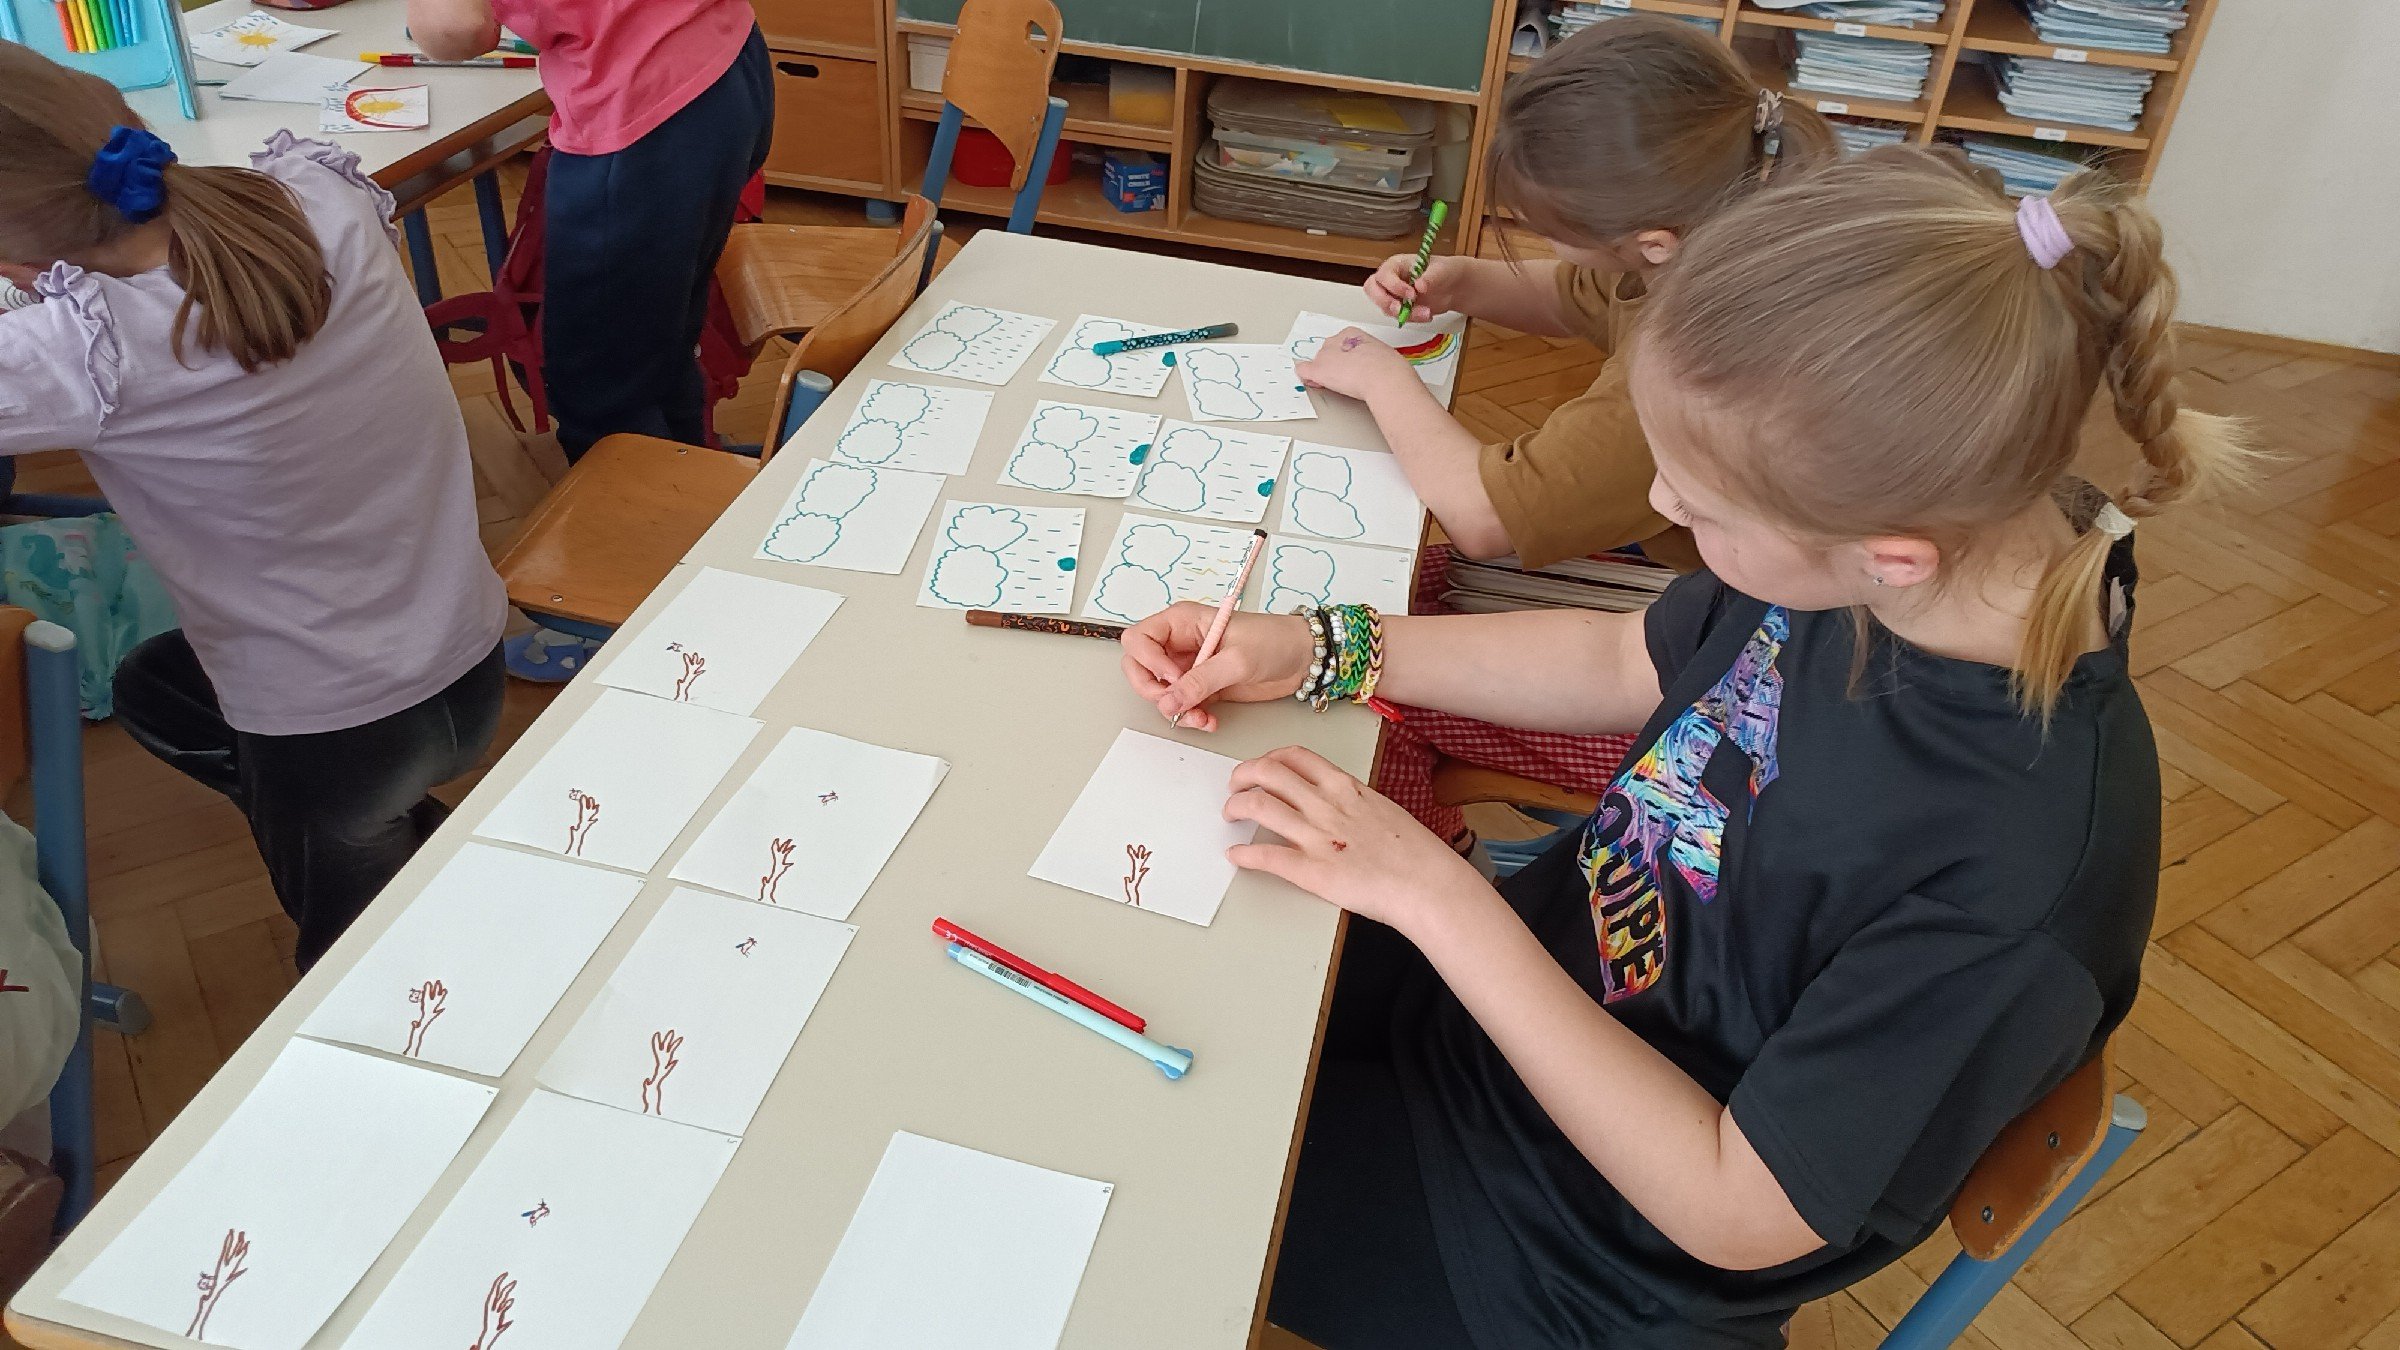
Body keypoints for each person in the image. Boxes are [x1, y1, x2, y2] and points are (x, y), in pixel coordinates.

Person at [1121, 147, 2251, 1347]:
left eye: (1699, 507)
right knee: (1151, 981)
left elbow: (1733, 1206)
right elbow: (1628, 661)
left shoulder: (2017, 883)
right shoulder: (1883, 561)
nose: (1661, 505)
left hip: (1560, 1254)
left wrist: (1441, 901)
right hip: (1492, 1018)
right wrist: (1324, 647)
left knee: (1127, 1175)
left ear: (1891, 555)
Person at [0, 44, 507, 971]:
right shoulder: (321, 195)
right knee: (156, 687)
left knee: (356, 973)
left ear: (23, 257)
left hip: (328, 725)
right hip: (465, 651)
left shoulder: (73, 353)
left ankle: (414, 905)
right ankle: (392, 839)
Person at [1296, 16, 1840, 858]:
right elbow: (1577, 291)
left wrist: (1381, 376)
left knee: (1373, 698)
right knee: (1406, 591)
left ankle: (1454, 868)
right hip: (1713, 598)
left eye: (1543, 222)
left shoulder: (1700, 359)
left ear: (1652, 242)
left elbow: (1485, 516)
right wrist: (1464, 283)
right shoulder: (1711, 244)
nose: (1535, 236)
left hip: (1727, 703)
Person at [408, 0, 774, 680]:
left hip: (641, 115)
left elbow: (455, 31)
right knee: (663, 328)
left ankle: (628, 610)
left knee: (599, 382)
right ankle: (693, 494)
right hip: (722, 61)